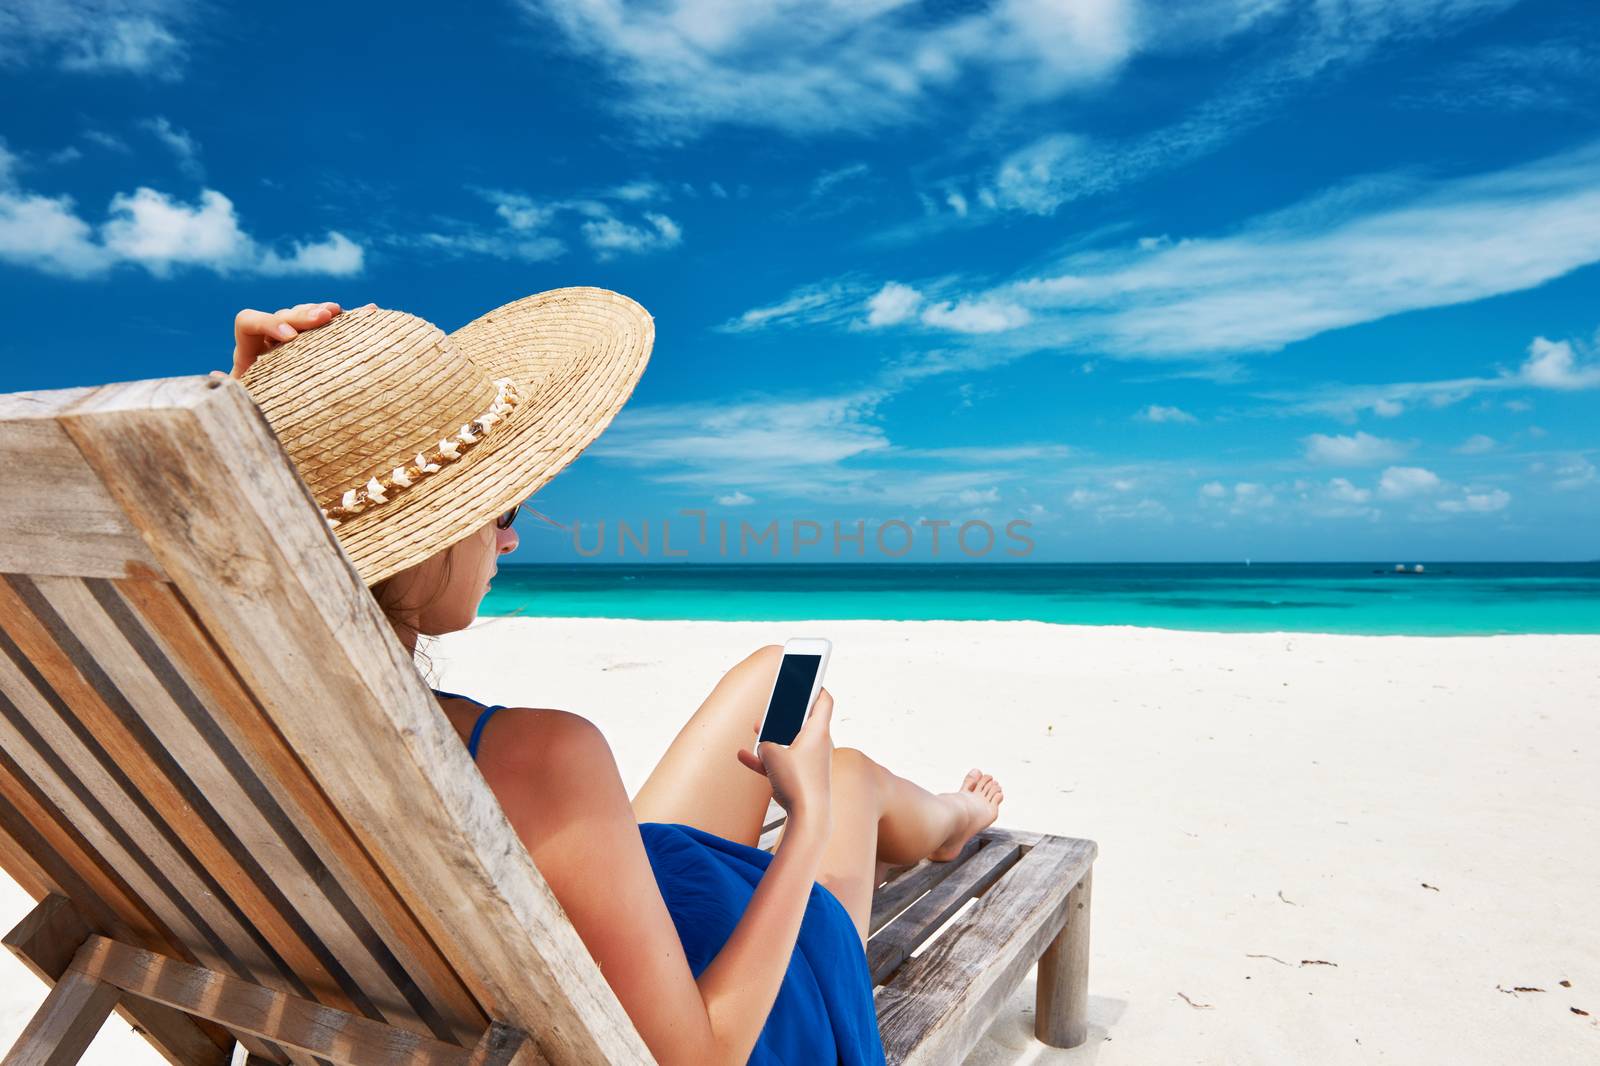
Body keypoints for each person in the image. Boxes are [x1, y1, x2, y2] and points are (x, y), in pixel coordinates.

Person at [225, 295, 1005, 1066]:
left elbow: (208, 572)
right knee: (843, 777)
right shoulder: (539, 757)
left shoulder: (208, 727)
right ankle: (953, 819)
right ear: (418, 543)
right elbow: (701, 1058)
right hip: (700, 1029)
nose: (511, 535)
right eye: (499, 506)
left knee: (776, 676)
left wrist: (249, 433)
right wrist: (805, 820)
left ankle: (944, 818)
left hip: (532, 978)